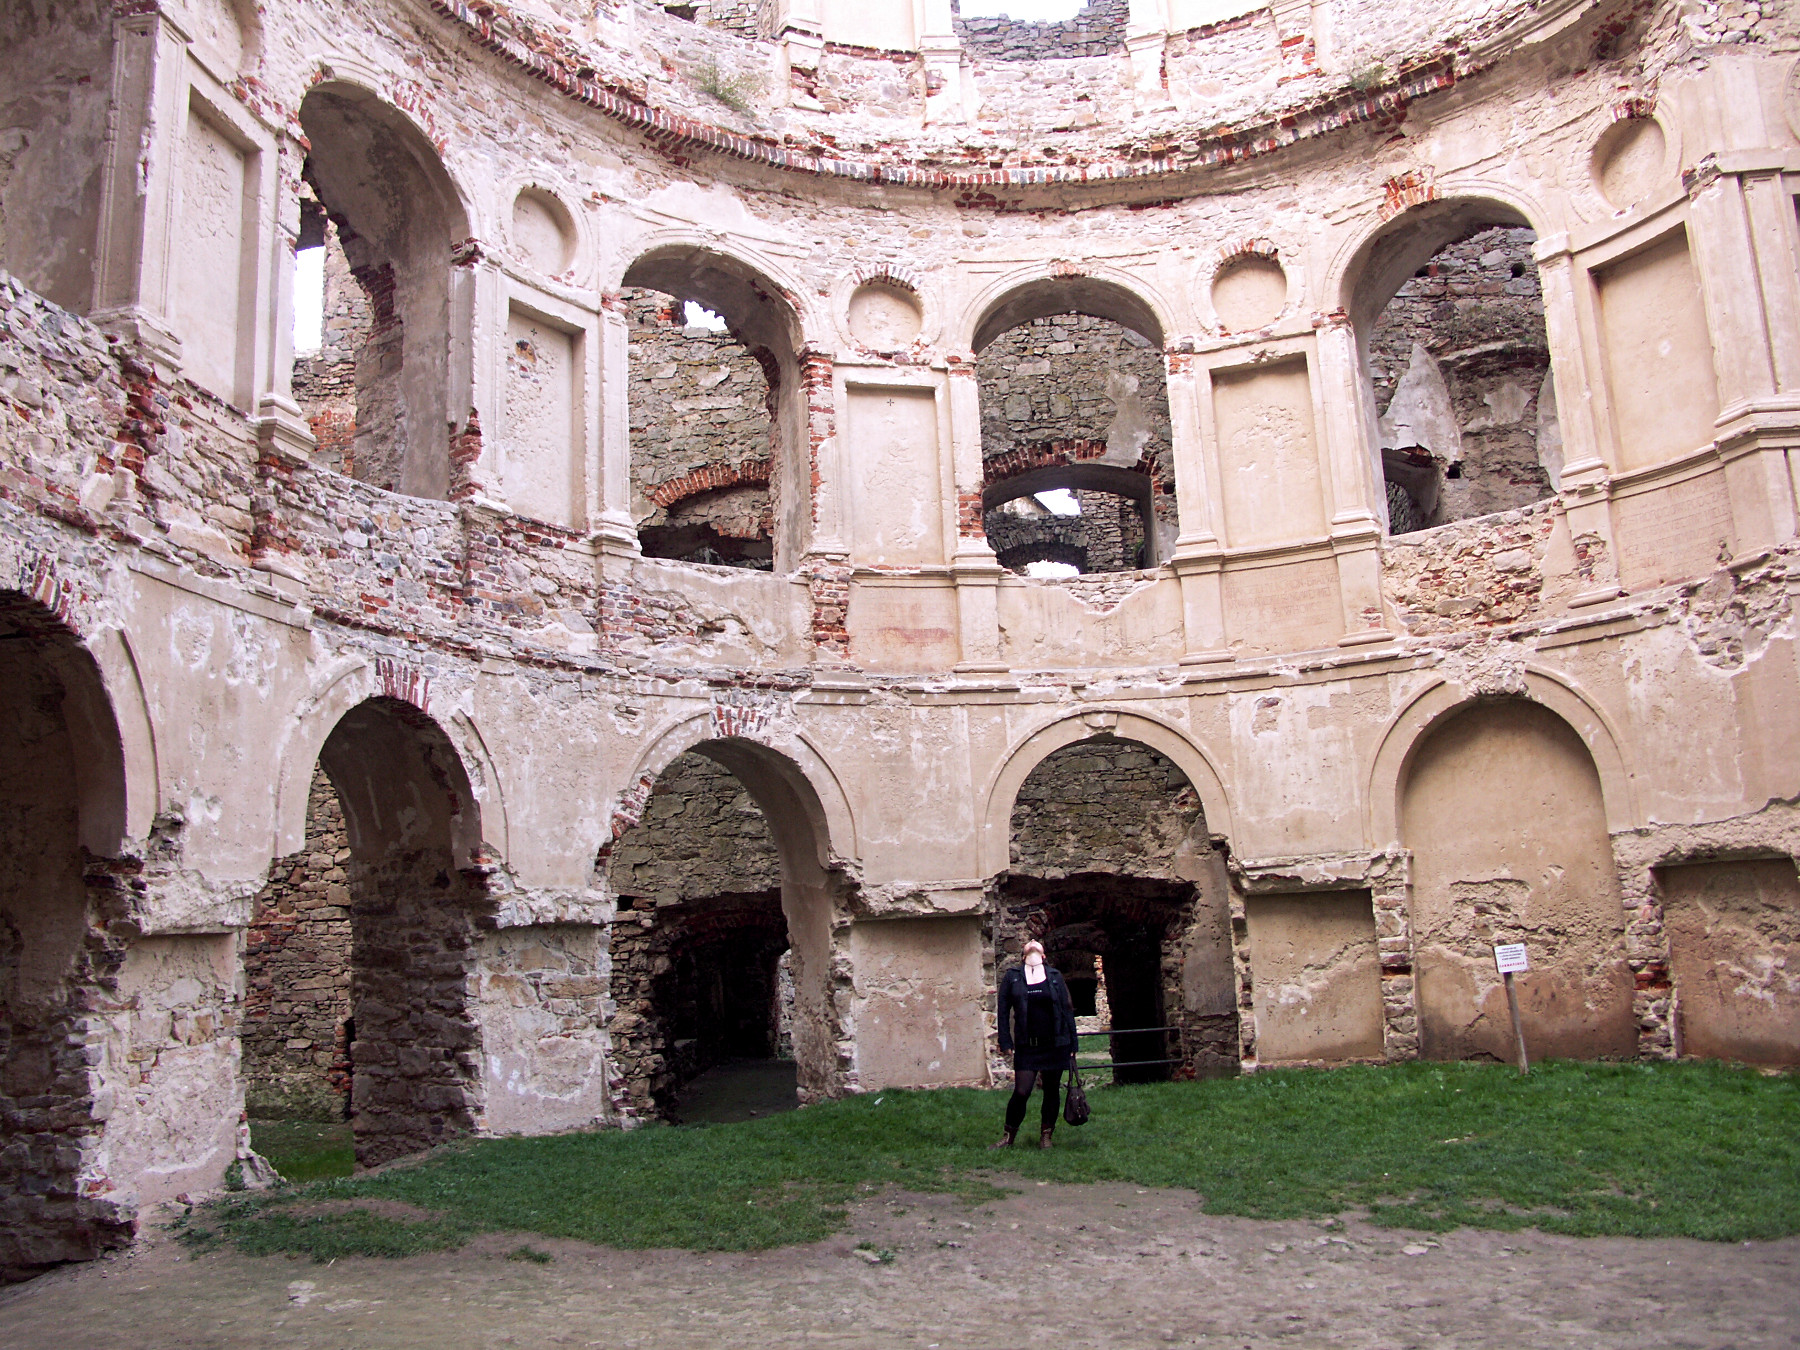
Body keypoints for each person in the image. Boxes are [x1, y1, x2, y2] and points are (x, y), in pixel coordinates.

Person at [992, 938, 1077, 1149]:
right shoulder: (1013, 977)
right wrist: (1005, 1040)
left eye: (1036, 943)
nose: (1032, 941)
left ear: (1043, 955)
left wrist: (1073, 1044)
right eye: (1029, 944)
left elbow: (1067, 1009)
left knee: (1051, 1090)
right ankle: (1008, 1137)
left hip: (1055, 1044)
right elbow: (1003, 1011)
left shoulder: (1054, 976)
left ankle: (1046, 1136)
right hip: (1027, 1046)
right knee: (1022, 1091)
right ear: (1023, 956)